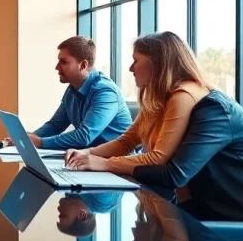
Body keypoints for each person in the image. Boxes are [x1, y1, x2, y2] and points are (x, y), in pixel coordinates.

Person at [65, 32, 212, 175]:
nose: (130, 68)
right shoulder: (158, 98)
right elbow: (127, 142)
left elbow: (158, 158)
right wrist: (87, 153)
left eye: (136, 60)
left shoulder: (184, 95)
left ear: (157, 63)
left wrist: (104, 163)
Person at [132, 91, 243, 222]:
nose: (131, 69)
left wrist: (115, 166)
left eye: (136, 61)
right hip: (209, 203)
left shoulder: (214, 110)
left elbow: (174, 174)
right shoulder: (178, 107)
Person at [17, 36, 132, 150]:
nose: (57, 67)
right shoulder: (72, 88)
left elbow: (84, 136)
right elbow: (55, 125)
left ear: (83, 65)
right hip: (89, 158)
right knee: (31, 168)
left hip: (115, 161)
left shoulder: (105, 92)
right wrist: (28, 138)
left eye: (63, 62)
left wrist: (40, 142)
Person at [56, 192, 123, 237]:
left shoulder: (73, 196)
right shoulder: (104, 201)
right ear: (82, 215)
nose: (58, 209)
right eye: (63, 215)